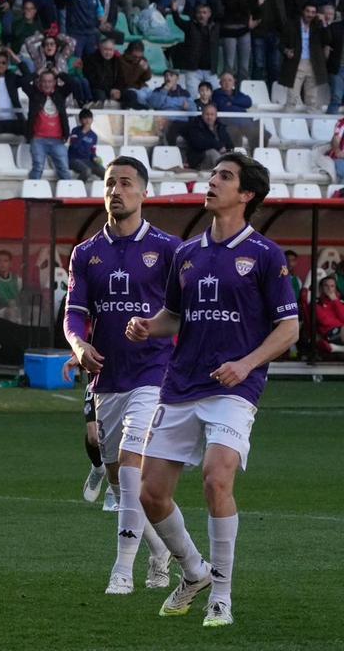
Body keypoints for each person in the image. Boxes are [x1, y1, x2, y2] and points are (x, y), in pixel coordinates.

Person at [128, 152, 299, 627]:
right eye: (213, 175)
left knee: (215, 477)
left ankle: (221, 595)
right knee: (151, 494)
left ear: (246, 195)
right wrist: (148, 326)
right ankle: (193, 572)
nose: (212, 182)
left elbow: (289, 329)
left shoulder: (265, 255)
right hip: (180, 385)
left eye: (224, 177)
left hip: (233, 388)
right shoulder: (186, 254)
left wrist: (245, 365)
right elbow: (175, 317)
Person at [64, 156, 180, 595]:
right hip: (107, 379)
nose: (117, 190)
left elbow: (186, 315)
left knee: (132, 468)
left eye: (126, 183)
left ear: (144, 192)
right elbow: (73, 316)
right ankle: (161, 551)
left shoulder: (169, 250)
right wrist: (79, 346)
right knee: (120, 480)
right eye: (110, 183)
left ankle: (121, 570)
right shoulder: (86, 253)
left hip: (154, 373)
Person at [23, 69, 75, 180]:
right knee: (37, 168)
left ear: (54, 82)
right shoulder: (34, 94)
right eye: (44, 81)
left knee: (64, 169)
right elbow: (23, 83)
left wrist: (59, 73)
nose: (47, 84)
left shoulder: (60, 93)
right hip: (38, 139)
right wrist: (37, 72)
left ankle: (67, 195)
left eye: (50, 81)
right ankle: (32, 195)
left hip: (58, 140)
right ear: (40, 82)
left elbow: (73, 83)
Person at [67, 110, 104, 182]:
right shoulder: (75, 131)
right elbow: (73, 146)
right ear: (80, 120)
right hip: (73, 159)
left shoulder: (94, 135)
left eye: (89, 118)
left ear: (92, 119)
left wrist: (95, 158)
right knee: (87, 171)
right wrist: (83, 132)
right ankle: (79, 189)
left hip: (87, 161)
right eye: (85, 118)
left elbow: (92, 152)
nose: (87, 120)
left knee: (106, 173)